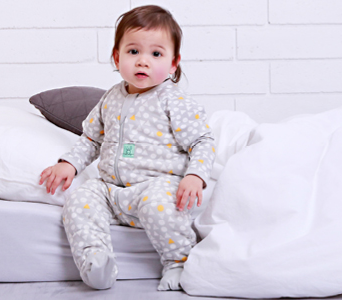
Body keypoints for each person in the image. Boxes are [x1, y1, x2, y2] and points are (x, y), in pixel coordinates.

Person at [38, 5, 215, 291]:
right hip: (111, 189)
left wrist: (196, 175)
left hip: (155, 184)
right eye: (133, 52)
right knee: (80, 198)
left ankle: (179, 261)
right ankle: (95, 260)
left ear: (173, 63)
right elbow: (91, 139)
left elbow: (202, 141)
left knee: (161, 205)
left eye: (156, 54)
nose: (143, 61)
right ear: (117, 57)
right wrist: (69, 164)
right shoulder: (110, 98)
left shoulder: (173, 101)